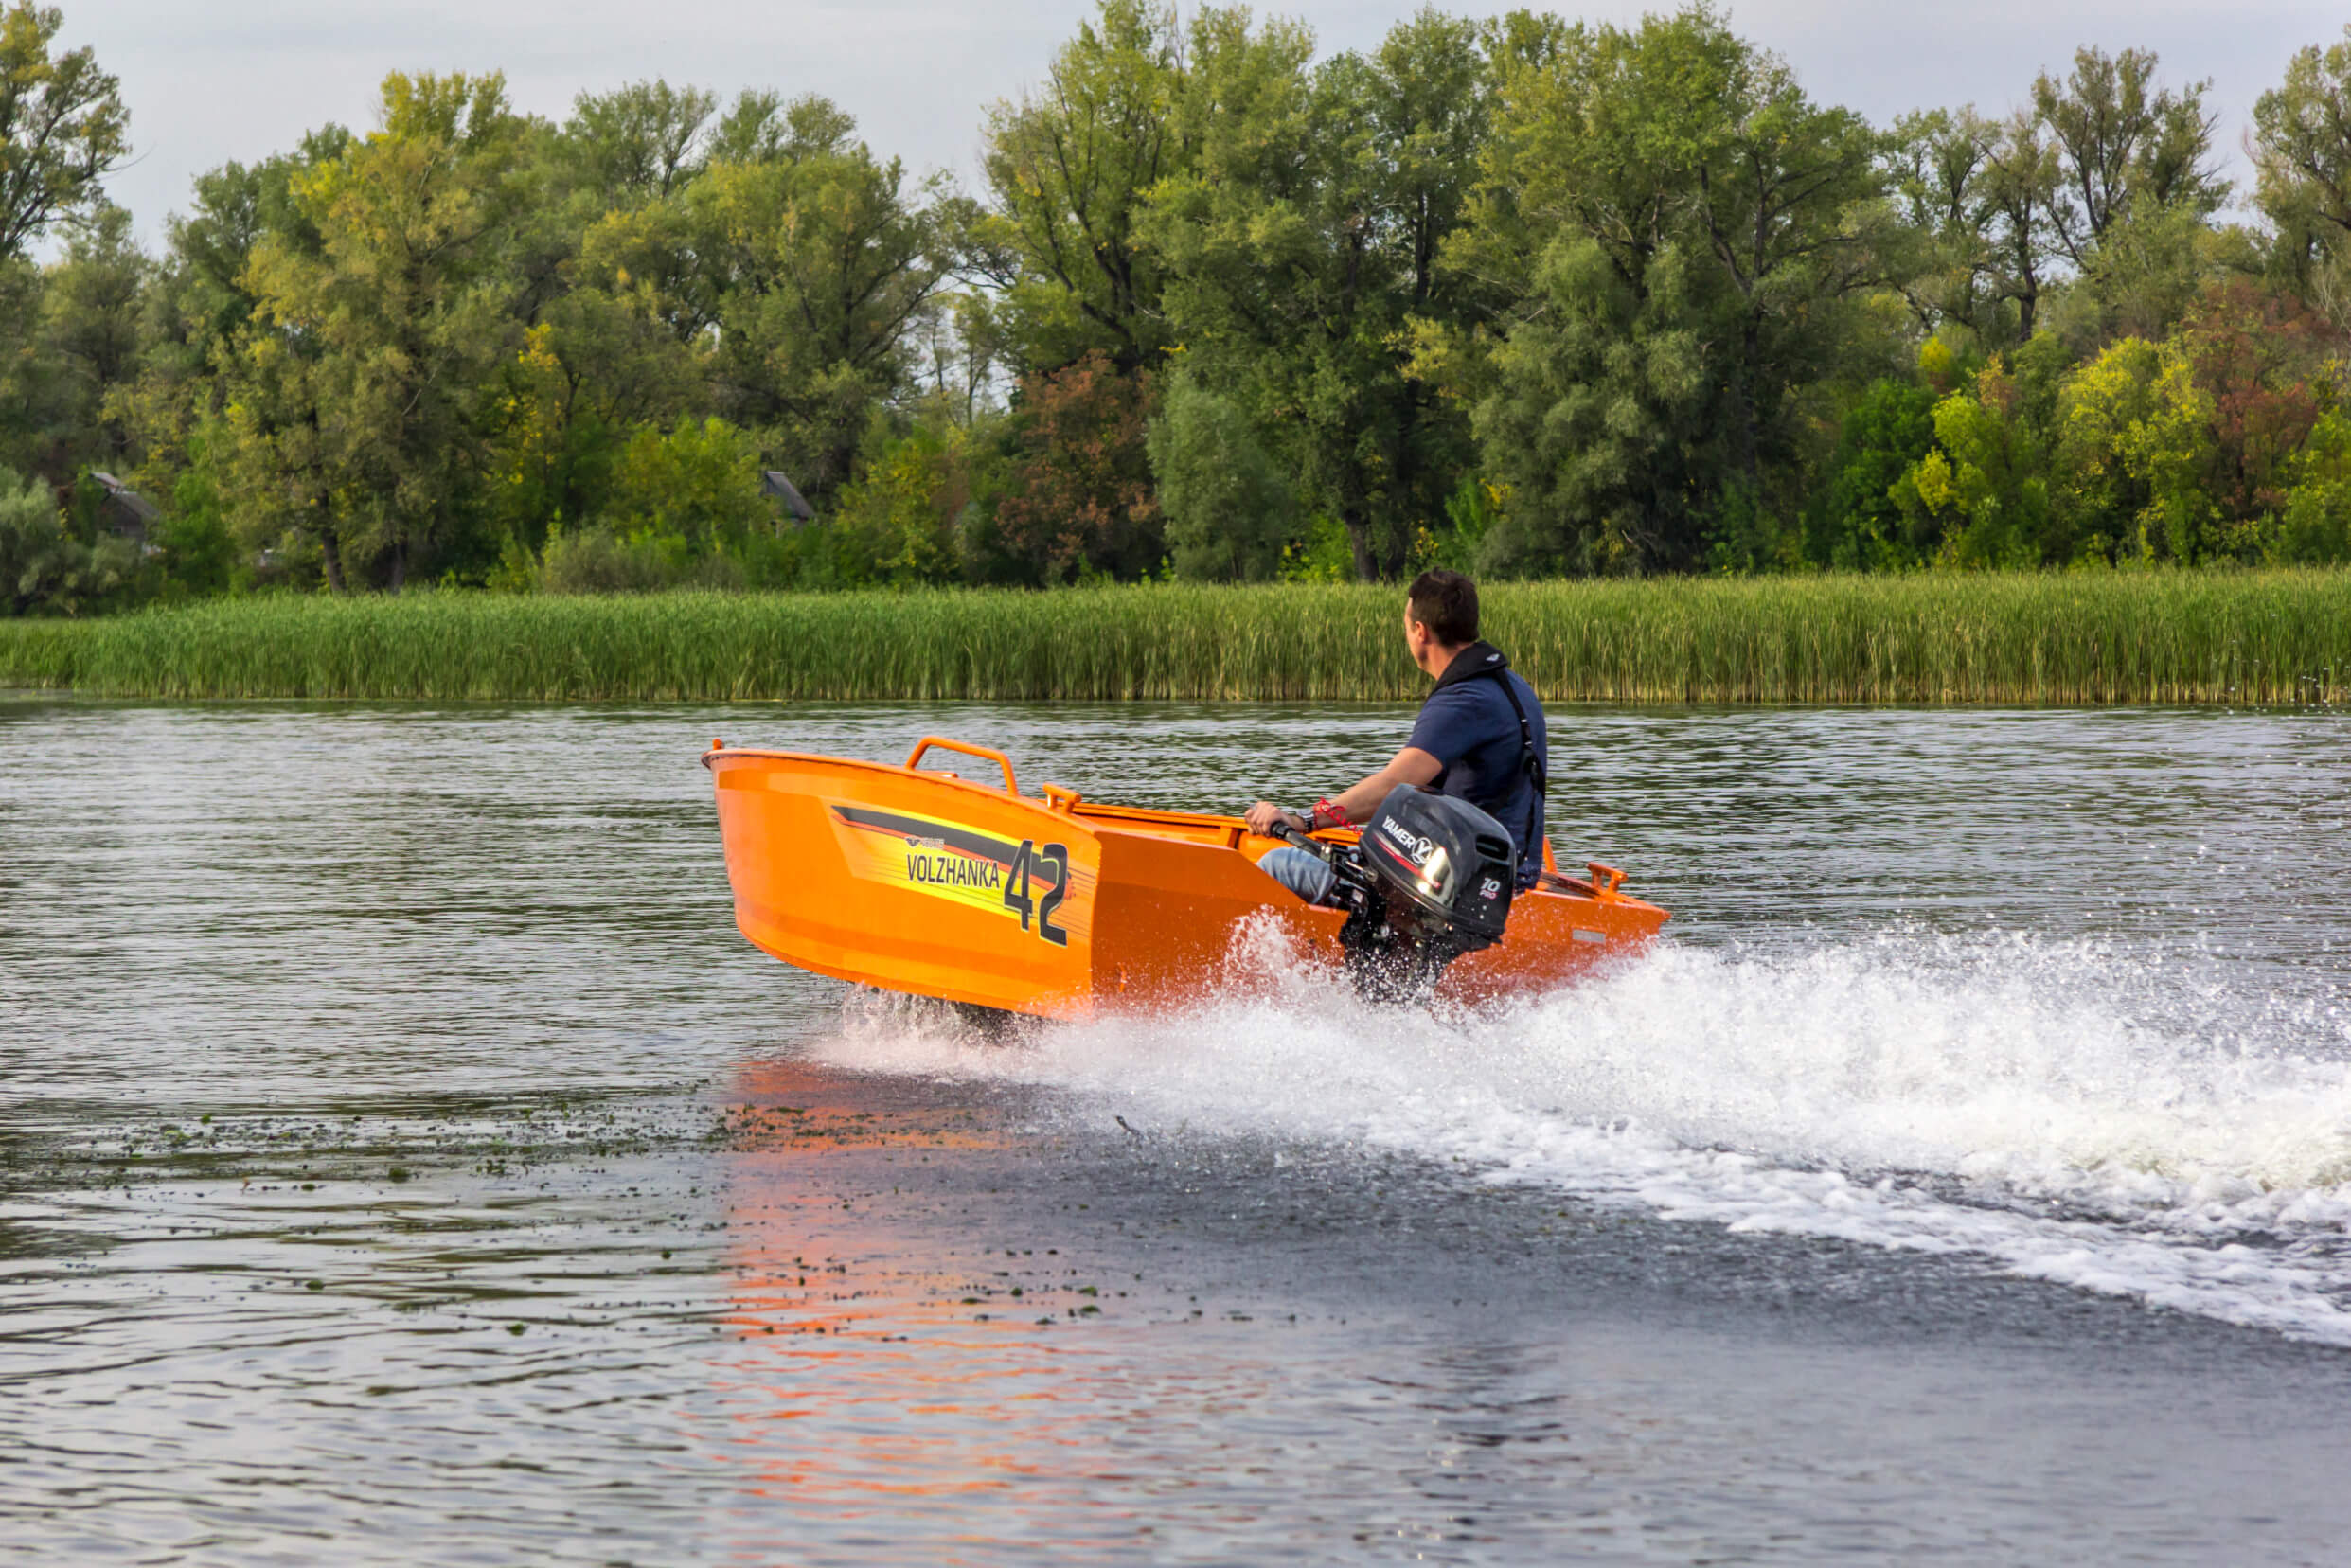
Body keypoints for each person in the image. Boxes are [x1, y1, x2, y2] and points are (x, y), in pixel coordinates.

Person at [1246, 569, 1549, 908]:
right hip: (1507, 880)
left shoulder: (1462, 701)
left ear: (1420, 631)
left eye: (1406, 626)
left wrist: (1302, 820)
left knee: (1275, 866)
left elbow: (1393, 785)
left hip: (1454, 889)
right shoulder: (1516, 687)